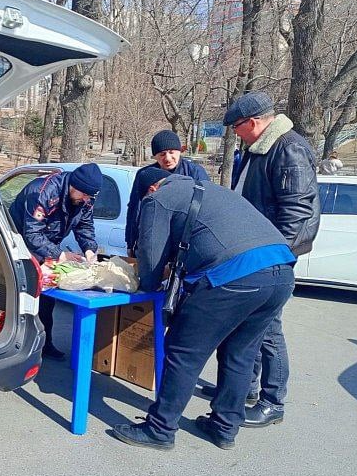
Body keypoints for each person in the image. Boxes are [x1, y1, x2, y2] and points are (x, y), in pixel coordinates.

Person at [109, 169, 296, 450]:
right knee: (240, 353)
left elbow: (150, 251)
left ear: (150, 189)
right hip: (281, 273)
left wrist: (146, 284)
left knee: (183, 351)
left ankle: (160, 429)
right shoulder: (213, 190)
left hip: (234, 276)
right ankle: (224, 427)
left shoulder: (158, 198)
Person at [204, 91, 320, 427]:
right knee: (248, 325)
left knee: (268, 330)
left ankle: (273, 402)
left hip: (271, 255)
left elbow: (297, 213)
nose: (235, 134)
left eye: (236, 128)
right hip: (257, 250)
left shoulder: (288, 148)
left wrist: (272, 256)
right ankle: (246, 388)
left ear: (252, 123)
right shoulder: (261, 148)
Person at [9, 164, 102, 360]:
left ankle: (45, 343)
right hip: (19, 245)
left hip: (48, 245)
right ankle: (18, 344)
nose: (86, 199)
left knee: (47, 299)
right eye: (84, 194)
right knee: (24, 298)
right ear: (73, 186)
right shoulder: (42, 192)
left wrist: (90, 250)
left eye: (90, 197)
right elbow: (32, 234)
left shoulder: (85, 199)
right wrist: (60, 255)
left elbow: (85, 226)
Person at [125, 130, 209, 255]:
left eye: (171, 152)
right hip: (154, 236)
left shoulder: (195, 173)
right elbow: (135, 208)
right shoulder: (145, 175)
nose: (168, 158)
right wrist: (131, 242)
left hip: (185, 239)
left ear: (180, 151)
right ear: (155, 156)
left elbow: (207, 207)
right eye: (162, 154)